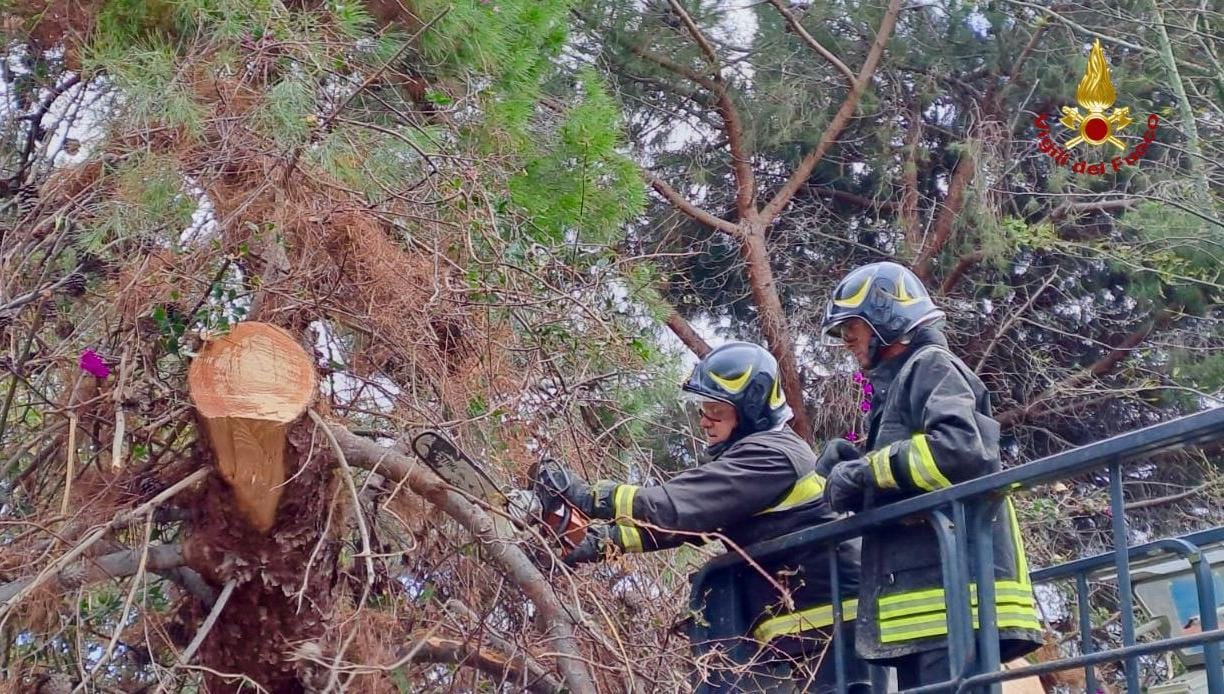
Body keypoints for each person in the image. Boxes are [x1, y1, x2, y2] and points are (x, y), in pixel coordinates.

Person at [540, 341, 869, 693]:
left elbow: (676, 507)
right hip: (809, 630)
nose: (704, 421)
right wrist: (599, 543)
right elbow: (681, 527)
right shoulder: (758, 457)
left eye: (715, 411)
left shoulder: (773, 456)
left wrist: (588, 497)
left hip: (832, 626)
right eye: (703, 409)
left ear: (749, 410)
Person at [816, 261, 1042, 688]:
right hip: (926, 606)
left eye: (852, 326)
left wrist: (865, 472)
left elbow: (960, 450)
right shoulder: (902, 381)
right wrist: (855, 460)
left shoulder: (931, 365)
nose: (845, 339)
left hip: (957, 598)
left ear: (885, 319)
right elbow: (911, 467)